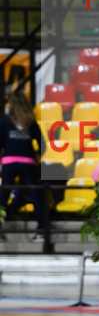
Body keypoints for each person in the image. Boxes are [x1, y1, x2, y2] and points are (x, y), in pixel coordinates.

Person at [0, 89, 45, 240]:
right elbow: (43, 143)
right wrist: (37, 156)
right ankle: (41, 229)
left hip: (9, 162)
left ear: (11, 104)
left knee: (3, 195)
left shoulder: (4, 121)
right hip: (28, 162)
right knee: (36, 195)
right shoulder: (30, 121)